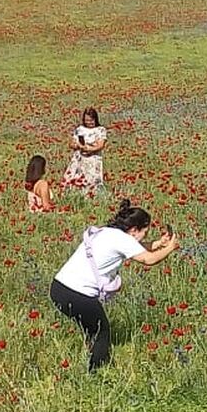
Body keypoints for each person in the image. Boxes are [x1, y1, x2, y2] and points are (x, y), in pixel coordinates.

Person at [50, 199, 177, 371]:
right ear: (134, 230)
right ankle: (97, 372)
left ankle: (90, 357)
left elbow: (137, 248)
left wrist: (157, 244)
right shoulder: (124, 240)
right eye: (145, 232)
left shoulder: (106, 232)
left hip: (58, 288)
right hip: (79, 293)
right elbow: (148, 259)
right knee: (102, 331)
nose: (145, 237)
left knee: (92, 328)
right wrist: (170, 247)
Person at [63, 108, 108, 194]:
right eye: (87, 120)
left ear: (95, 119)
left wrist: (89, 149)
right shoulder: (80, 129)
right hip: (79, 159)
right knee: (76, 179)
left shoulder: (100, 130)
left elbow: (101, 145)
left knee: (91, 181)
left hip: (93, 159)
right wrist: (77, 146)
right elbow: (71, 144)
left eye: (91, 120)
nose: (89, 122)